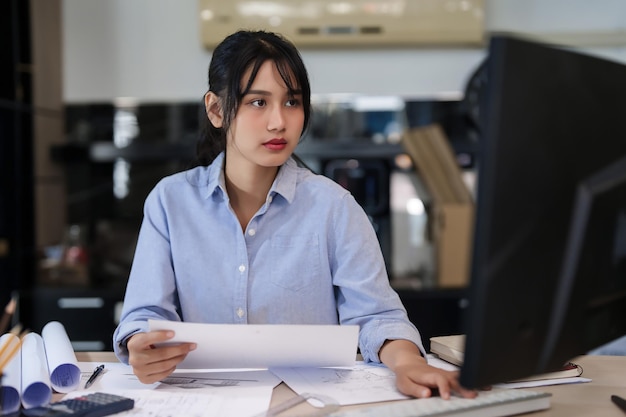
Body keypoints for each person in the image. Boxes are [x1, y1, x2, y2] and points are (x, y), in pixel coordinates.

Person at [113, 30, 475, 400]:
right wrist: (141, 345)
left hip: (308, 406)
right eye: (258, 102)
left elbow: (377, 318)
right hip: (205, 403)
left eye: (292, 102)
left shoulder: (334, 207)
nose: (278, 122)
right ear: (216, 110)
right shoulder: (171, 201)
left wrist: (407, 364)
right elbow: (143, 316)